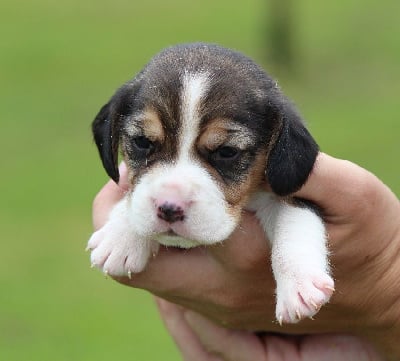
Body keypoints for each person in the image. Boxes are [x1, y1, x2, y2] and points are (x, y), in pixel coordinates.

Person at [92, 153, 400, 360]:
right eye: (145, 146)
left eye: (225, 151)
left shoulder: (275, 174)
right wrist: (127, 221)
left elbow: (292, 208)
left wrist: (386, 293)